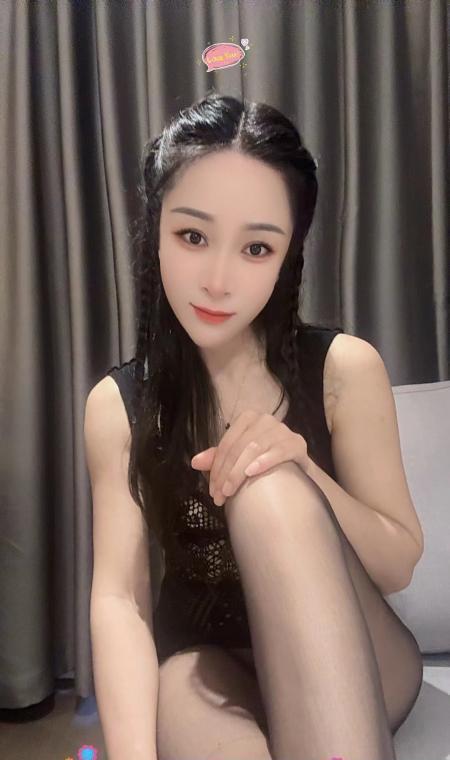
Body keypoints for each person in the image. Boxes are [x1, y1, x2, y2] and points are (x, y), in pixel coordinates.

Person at [87, 90, 425, 760]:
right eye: (193, 236)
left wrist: (300, 469)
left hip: (358, 650)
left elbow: (398, 564)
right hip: (207, 660)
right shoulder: (120, 403)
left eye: (257, 248)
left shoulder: (343, 369)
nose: (217, 280)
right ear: (155, 229)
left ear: (288, 256)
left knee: (265, 483)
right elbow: (119, 600)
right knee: (180, 690)